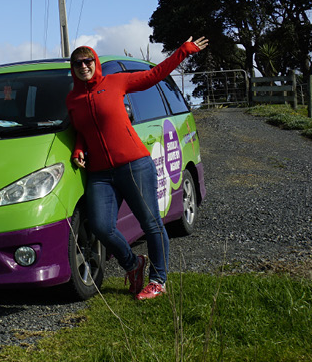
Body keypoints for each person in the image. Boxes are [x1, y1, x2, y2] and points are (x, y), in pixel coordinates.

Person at [66, 36, 208, 300]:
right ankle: (133, 264)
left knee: (151, 223)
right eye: (78, 63)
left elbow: (154, 75)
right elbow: (82, 131)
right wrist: (78, 148)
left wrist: (183, 51)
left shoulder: (116, 82)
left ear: (95, 63)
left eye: (88, 61)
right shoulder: (72, 99)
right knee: (101, 226)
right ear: (72, 68)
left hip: (134, 165)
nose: (84, 66)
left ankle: (158, 280)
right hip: (100, 173)